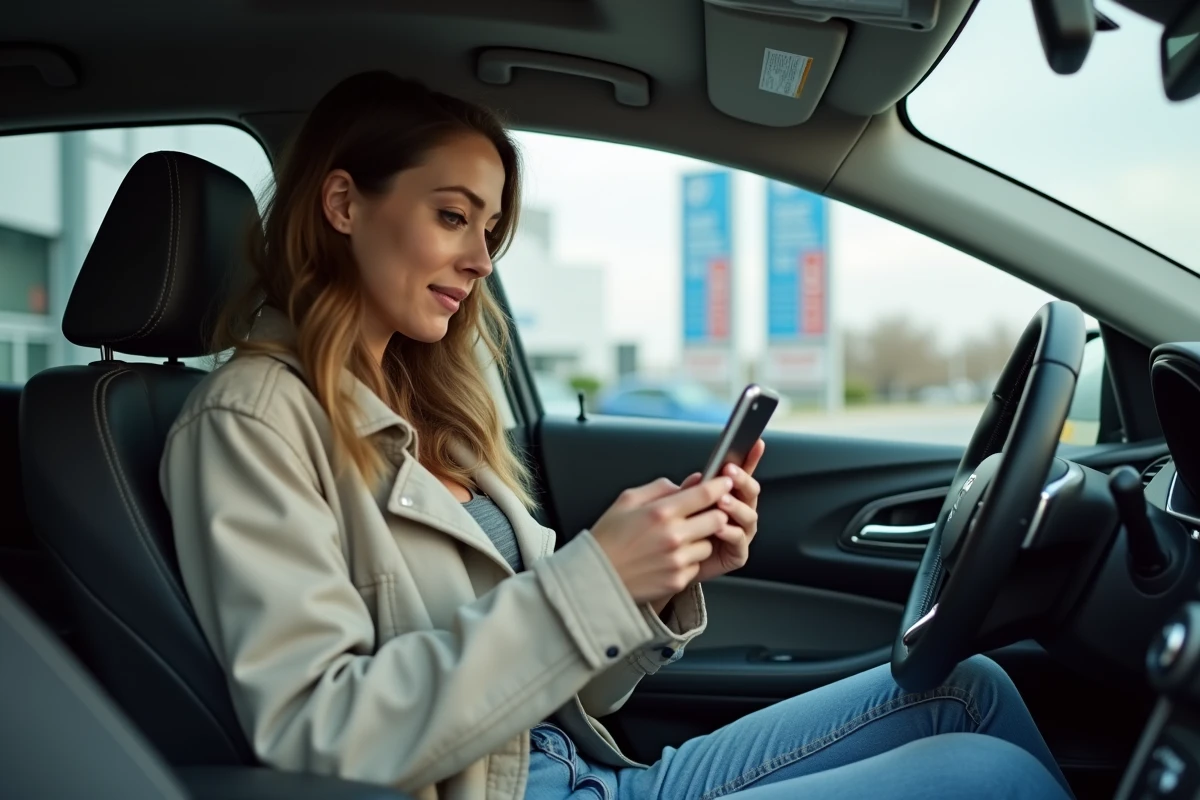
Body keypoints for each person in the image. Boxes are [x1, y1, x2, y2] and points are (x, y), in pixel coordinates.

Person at [160, 71, 1074, 800]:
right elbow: (324, 742)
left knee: (971, 687)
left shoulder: (438, 413)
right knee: (988, 778)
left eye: (489, 228)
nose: (480, 258)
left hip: (593, 772)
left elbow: (566, 692)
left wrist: (653, 586)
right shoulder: (250, 423)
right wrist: (595, 577)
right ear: (344, 204)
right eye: (451, 216)